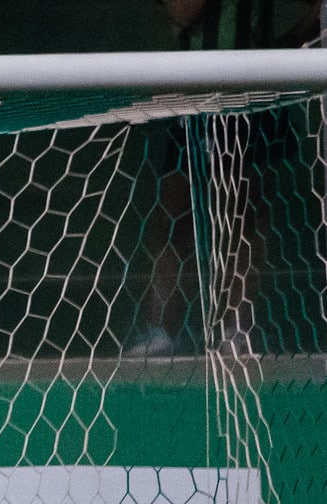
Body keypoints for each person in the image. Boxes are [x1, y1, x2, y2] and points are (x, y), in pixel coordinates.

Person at [127, 0, 319, 357]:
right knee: (175, 214)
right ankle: (160, 331)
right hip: (193, 89)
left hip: (251, 88)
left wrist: (290, 41)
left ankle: (236, 329)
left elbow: (315, 13)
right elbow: (182, 13)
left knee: (244, 212)